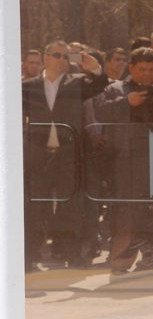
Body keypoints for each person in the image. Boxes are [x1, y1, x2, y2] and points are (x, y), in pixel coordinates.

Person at [94, 47, 153, 275]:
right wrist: (125, 102)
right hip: (128, 160)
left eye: (151, 70)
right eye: (142, 69)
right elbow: (99, 112)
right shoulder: (115, 89)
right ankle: (120, 262)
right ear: (131, 68)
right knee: (127, 212)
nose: (147, 74)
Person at [22, 40, 110, 270]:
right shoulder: (28, 86)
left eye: (66, 56)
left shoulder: (77, 83)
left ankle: (68, 253)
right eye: (57, 55)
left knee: (69, 204)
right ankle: (30, 255)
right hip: (38, 154)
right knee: (35, 205)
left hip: (67, 155)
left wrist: (94, 68)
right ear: (46, 58)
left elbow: (101, 85)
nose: (62, 60)